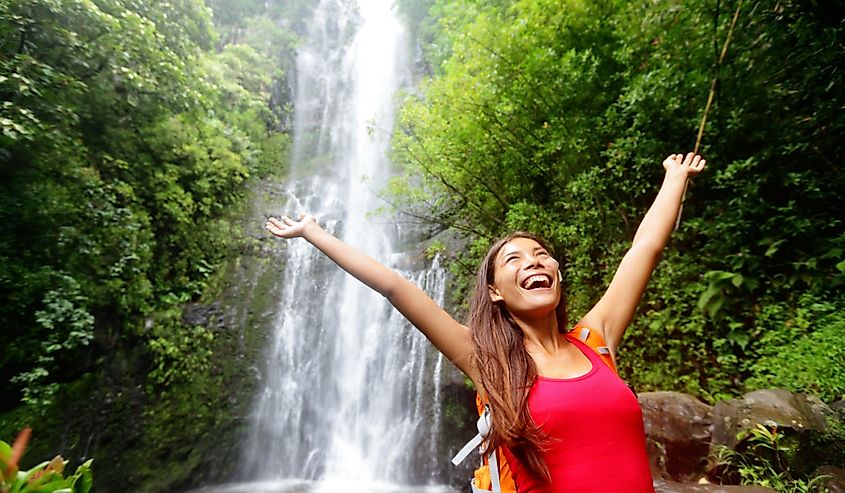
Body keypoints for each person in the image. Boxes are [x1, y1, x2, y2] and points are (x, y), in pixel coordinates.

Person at [265, 152, 706, 492]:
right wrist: (313, 233)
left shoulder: (597, 338)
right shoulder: (487, 362)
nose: (534, 262)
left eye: (541, 255)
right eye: (514, 259)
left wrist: (674, 177)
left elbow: (643, 250)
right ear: (495, 291)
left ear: (556, 273)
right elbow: (396, 287)